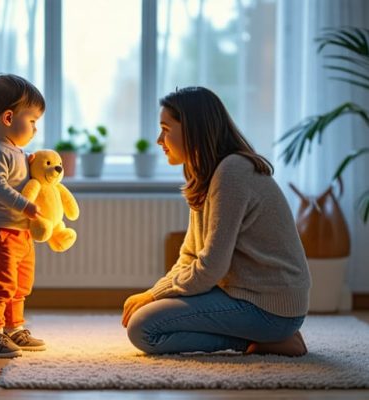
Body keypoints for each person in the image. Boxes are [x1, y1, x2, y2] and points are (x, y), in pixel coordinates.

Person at [122, 86, 310, 357]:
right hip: (246, 297)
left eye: (165, 128)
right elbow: (190, 255)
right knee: (146, 317)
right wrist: (156, 291)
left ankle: (262, 342)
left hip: (270, 308)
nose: (158, 139)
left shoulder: (232, 171)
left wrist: (153, 297)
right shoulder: (207, 174)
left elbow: (211, 269)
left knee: (144, 328)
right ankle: (266, 338)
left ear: (192, 129)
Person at [0, 73, 46, 358]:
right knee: (0, 285)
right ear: (7, 118)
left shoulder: (16, 152)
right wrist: (25, 205)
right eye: (32, 121)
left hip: (19, 232)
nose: (35, 128)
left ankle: (14, 328)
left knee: (20, 285)